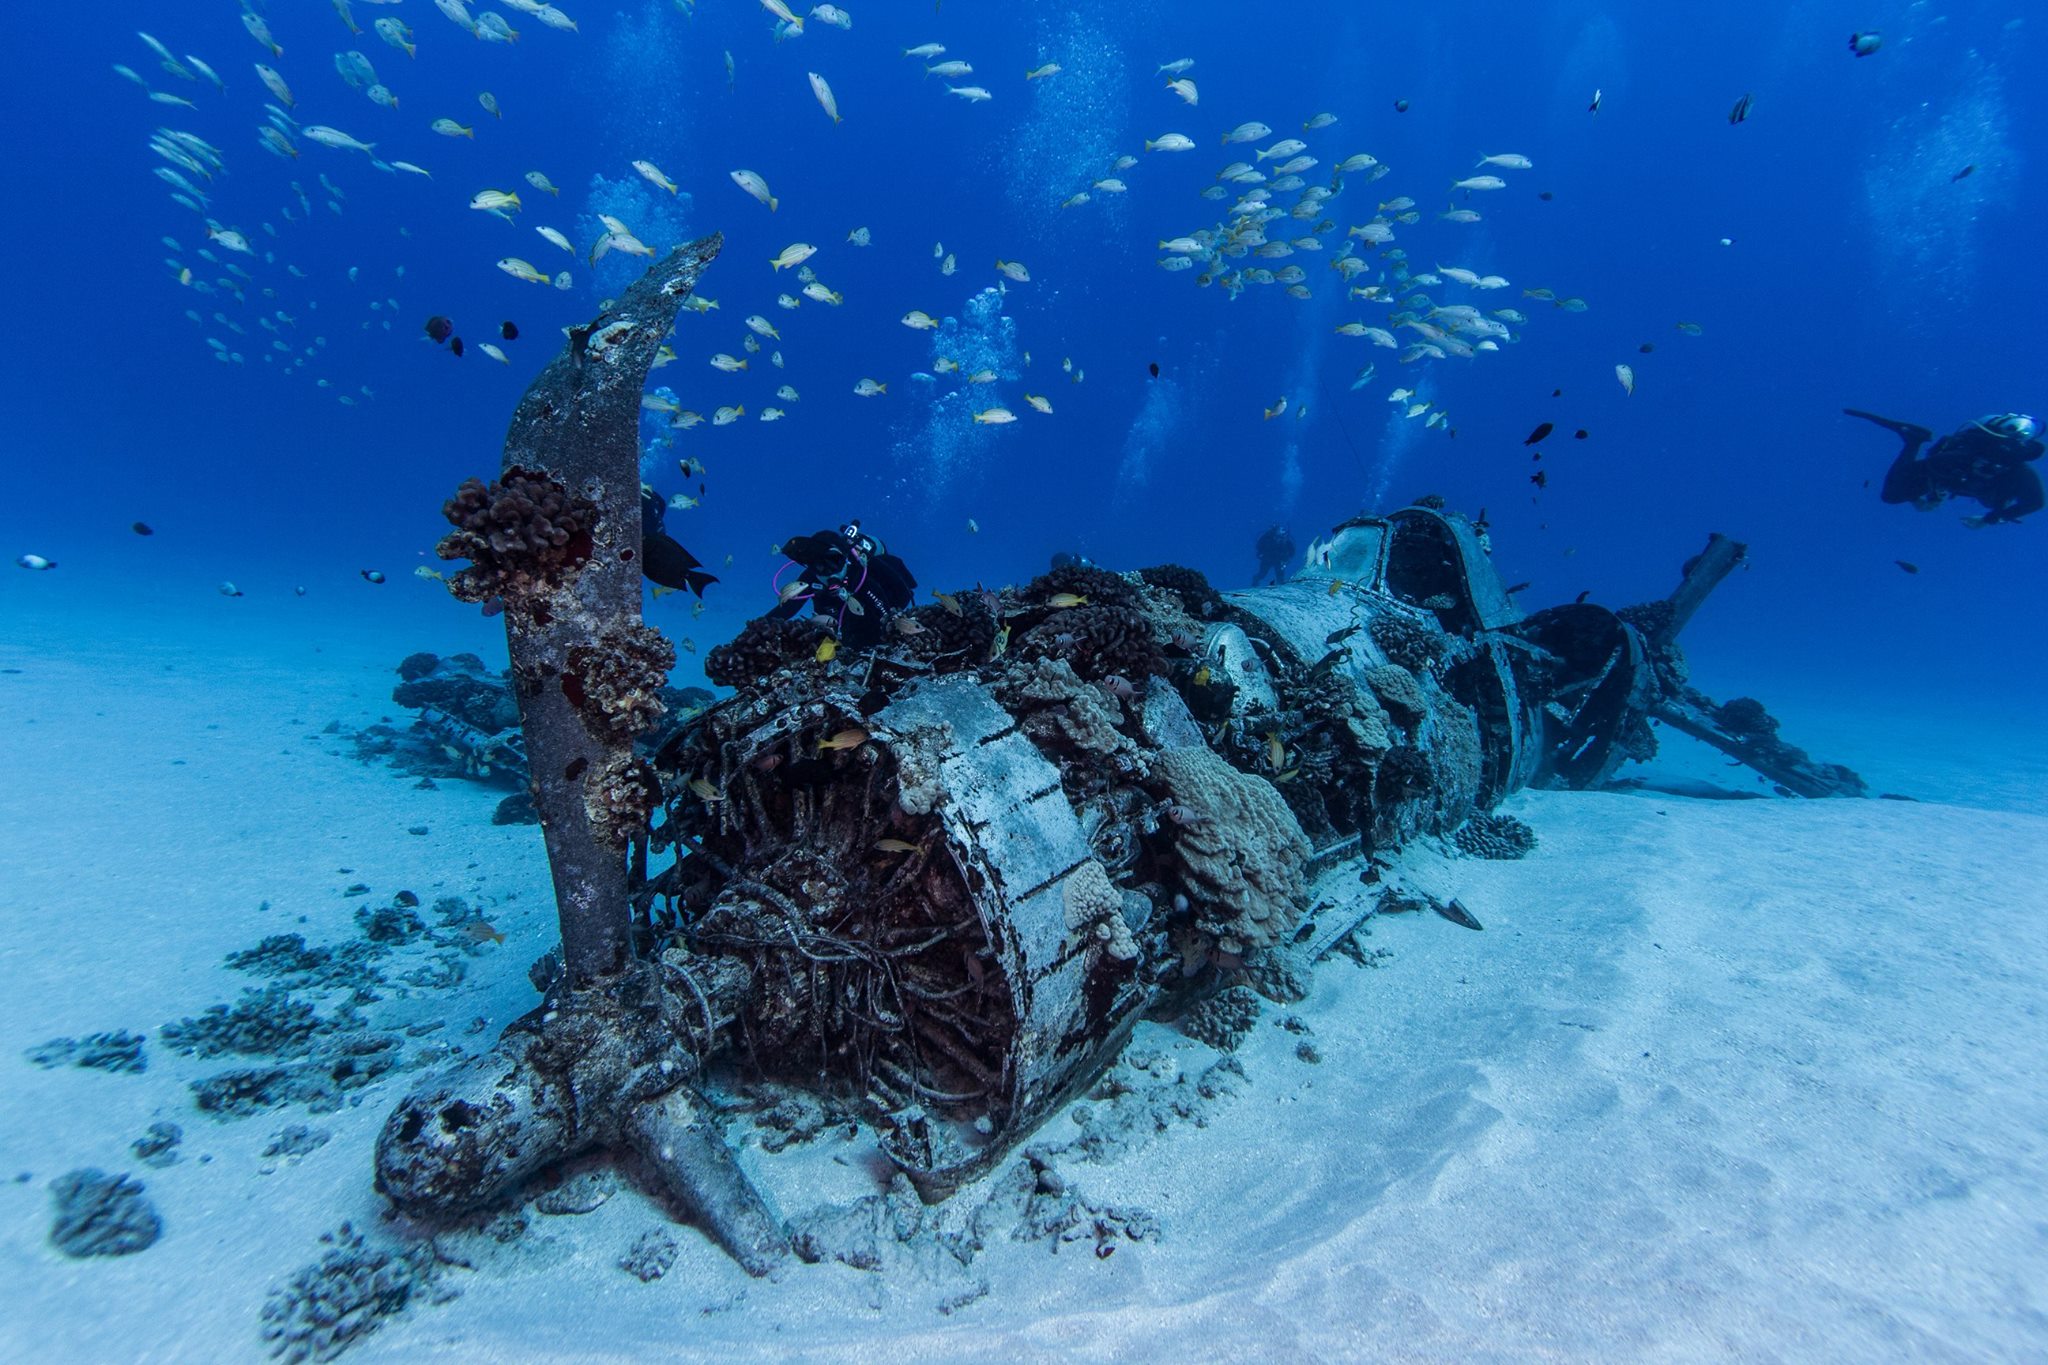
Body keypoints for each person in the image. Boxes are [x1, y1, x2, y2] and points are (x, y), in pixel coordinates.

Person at [1846, 409, 2044, 527]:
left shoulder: (2016, 473)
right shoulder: (2018, 471)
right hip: (1944, 472)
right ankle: (1913, 440)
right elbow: (2035, 502)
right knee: (1892, 496)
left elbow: (2035, 503)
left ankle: (1914, 440)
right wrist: (1990, 519)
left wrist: (1990, 519)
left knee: (1893, 495)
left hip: (1945, 474)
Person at [769, 519, 916, 648]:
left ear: (845, 559)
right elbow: (785, 609)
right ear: (810, 566)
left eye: (835, 563)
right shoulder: (810, 579)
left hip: (880, 605)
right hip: (838, 621)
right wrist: (757, 629)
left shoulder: (860, 570)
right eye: (819, 567)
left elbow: (895, 602)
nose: (829, 573)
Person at [640, 486, 718, 597]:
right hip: (656, 540)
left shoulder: (647, 502)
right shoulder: (653, 502)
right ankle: (687, 576)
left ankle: (688, 576)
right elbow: (662, 505)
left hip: (652, 544)